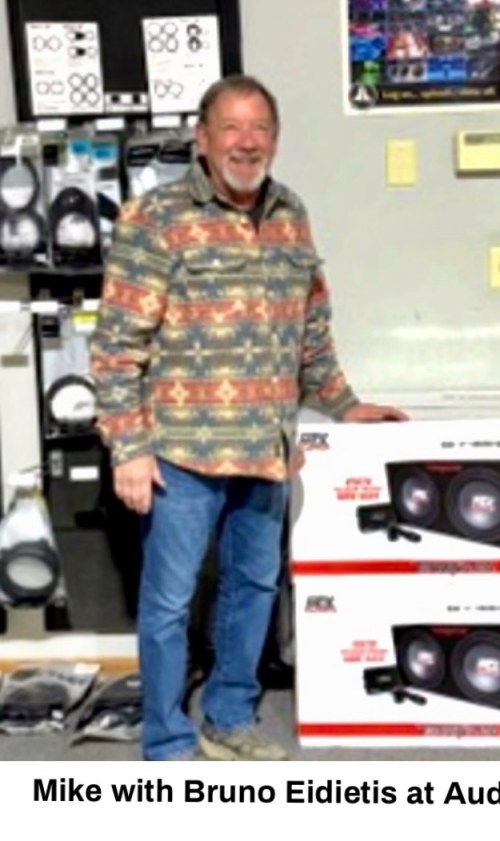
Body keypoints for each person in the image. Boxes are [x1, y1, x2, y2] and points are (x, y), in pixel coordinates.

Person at [90, 75, 407, 761]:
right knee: (171, 602)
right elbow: (116, 345)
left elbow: (310, 328)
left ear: (275, 138)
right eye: (230, 127)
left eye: (259, 127)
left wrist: (346, 402)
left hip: (265, 446)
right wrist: (128, 448)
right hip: (179, 453)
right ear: (202, 139)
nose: (246, 141)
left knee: (254, 588)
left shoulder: (290, 212)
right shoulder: (155, 218)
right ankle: (168, 741)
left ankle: (230, 717)